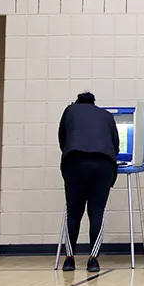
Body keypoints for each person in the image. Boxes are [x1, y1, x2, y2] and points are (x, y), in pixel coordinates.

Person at [57, 91, 120, 273]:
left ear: (77, 102)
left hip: (75, 162)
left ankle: (69, 260)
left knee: (74, 213)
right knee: (96, 211)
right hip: (103, 164)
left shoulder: (70, 111)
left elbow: (63, 140)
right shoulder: (106, 115)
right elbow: (115, 145)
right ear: (94, 103)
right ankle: (93, 260)